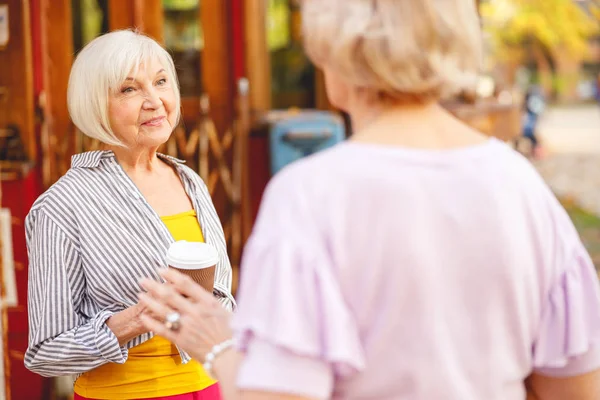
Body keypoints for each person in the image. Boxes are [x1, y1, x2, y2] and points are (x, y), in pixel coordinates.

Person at [138, 0, 600, 399]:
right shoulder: (520, 183)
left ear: (335, 45)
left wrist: (217, 345)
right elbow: (573, 386)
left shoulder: (310, 196)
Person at [24, 30, 235, 400]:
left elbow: (223, 299)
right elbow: (46, 351)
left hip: (211, 386)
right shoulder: (63, 206)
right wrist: (134, 320)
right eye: (129, 90)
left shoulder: (191, 181)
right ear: (95, 105)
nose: (154, 101)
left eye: (161, 82)